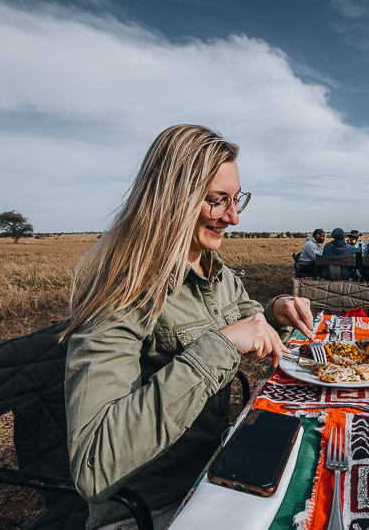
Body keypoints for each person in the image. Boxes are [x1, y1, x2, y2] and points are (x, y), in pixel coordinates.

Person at [61, 125, 315, 530]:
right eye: (218, 201)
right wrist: (220, 346)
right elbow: (93, 465)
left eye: (236, 200)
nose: (232, 217)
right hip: (152, 509)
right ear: (172, 199)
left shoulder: (214, 270)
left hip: (214, 475)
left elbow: (250, 321)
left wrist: (276, 312)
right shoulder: (123, 289)